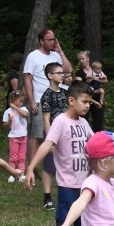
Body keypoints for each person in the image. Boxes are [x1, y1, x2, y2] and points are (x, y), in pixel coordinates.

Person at [25, 81, 93, 226]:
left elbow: (95, 144)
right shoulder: (60, 122)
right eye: (85, 101)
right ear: (71, 101)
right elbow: (47, 145)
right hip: (68, 187)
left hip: (86, 186)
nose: (88, 105)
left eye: (90, 102)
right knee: (64, 224)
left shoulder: (84, 123)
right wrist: (31, 167)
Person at [23, 29, 73, 162]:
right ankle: (32, 168)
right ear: (41, 41)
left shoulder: (56, 56)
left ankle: (59, 162)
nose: (53, 42)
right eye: (49, 40)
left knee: (60, 131)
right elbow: (27, 78)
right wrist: (32, 101)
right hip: (41, 99)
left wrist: (60, 51)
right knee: (38, 134)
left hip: (59, 99)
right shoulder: (33, 56)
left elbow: (68, 69)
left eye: (54, 39)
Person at [38, 61, 69, 209]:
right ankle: (47, 197)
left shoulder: (65, 92)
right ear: (50, 75)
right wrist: (50, 140)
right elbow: (46, 118)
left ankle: (68, 193)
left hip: (67, 133)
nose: (62, 75)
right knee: (49, 166)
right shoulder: (46, 95)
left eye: (63, 73)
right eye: (59, 73)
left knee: (66, 164)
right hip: (53, 133)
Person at [76, 51, 107, 132]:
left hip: (97, 97)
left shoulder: (96, 69)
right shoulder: (79, 73)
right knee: (83, 120)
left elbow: (105, 80)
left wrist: (94, 78)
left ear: (88, 59)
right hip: (85, 99)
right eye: (79, 59)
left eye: (83, 58)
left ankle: (97, 141)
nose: (81, 61)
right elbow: (80, 86)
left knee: (98, 122)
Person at [2, 90, 28, 182]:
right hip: (14, 137)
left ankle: (21, 174)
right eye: (19, 101)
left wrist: (15, 107)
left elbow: (25, 114)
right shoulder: (8, 112)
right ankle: (12, 174)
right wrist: (9, 120)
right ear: (13, 100)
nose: (21, 103)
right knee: (13, 156)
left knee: (22, 156)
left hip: (23, 137)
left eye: (22, 101)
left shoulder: (23, 109)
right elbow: (5, 125)